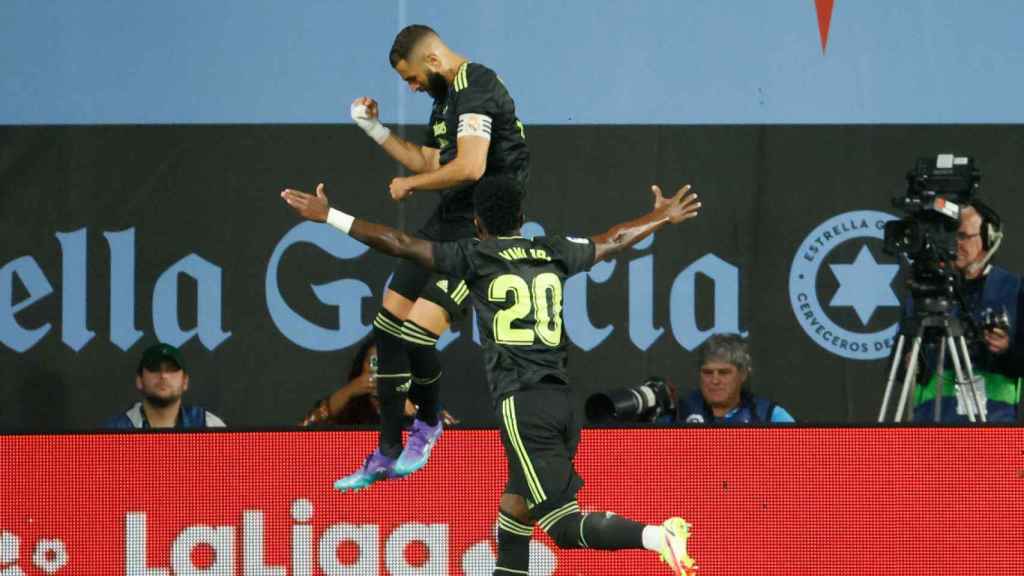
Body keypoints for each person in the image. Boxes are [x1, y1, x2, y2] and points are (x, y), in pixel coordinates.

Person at [282, 175, 702, 575]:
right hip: (560, 401)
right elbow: (613, 239)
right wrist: (662, 216)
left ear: (478, 223)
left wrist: (330, 215)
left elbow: (400, 243)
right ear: (521, 217)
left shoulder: (474, 256)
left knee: (561, 527)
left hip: (524, 405)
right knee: (514, 511)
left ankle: (657, 536)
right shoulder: (552, 250)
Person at [341, 24, 530, 487]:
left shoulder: (477, 85)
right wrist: (375, 130)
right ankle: (386, 450)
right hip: (444, 222)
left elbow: (470, 167)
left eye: (411, 78)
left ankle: (427, 425)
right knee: (385, 328)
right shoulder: (446, 98)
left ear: (431, 59)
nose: (412, 87)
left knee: (417, 335)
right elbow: (434, 162)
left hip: (477, 234)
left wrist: (409, 186)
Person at [908, 200, 1023, 422]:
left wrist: (1006, 350)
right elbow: (902, 370)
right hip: (929, 430)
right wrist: (912, 361)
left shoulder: (1015, 289)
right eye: (948, 236)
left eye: (962, 236)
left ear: (988, 238)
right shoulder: (924, 290)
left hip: (991, 430)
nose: (953, 244)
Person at [300, 338, 458, 426]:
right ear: (361, 366)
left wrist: (412, 411)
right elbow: (304, 428)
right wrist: (347, 392)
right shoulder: (345, 404)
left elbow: (457, 440)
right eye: (374, 363)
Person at [676, 333, 795, 423]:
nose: (715, 380)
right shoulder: (679, 413)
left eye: (724, 373)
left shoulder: (767, 415)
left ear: (742, 374)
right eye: (707, 372)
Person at [104, 343, 225, 429]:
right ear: (139, 380)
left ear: (185, 382)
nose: (163, 375)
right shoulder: (115, 430)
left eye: (172, 370)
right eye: (155, 369)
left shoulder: (209, 425)